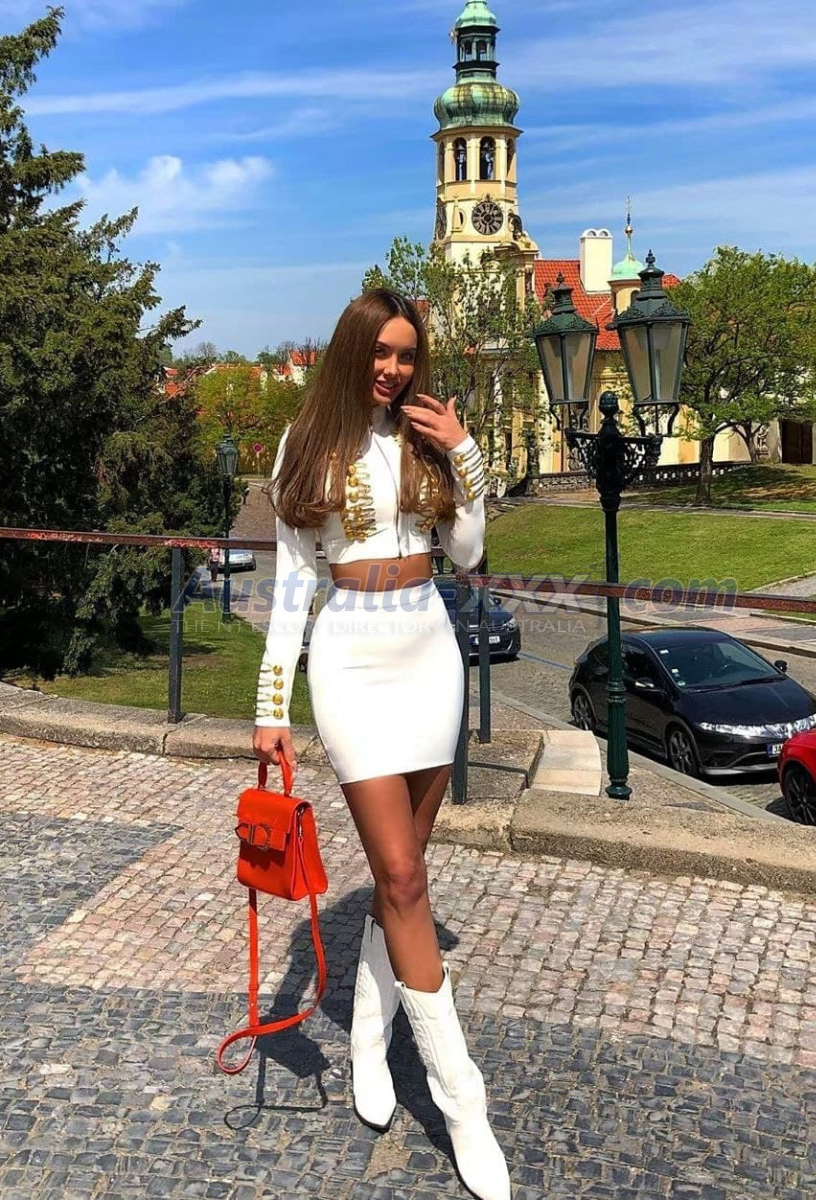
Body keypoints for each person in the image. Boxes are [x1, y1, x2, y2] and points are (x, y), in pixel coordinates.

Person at [253, 289, 510, 1200]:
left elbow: (467, 556)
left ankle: (369, 1028)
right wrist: (269, 706)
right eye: (380, 351)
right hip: (352, 657)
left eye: (406, 354)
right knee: (400, 875)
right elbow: (293, 582)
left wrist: (465, 453)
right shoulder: (305, 441)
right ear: (351, 350)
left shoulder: (428, 436)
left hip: (428, 647)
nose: (394, 369)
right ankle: (462, 1100)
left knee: (405, 876)